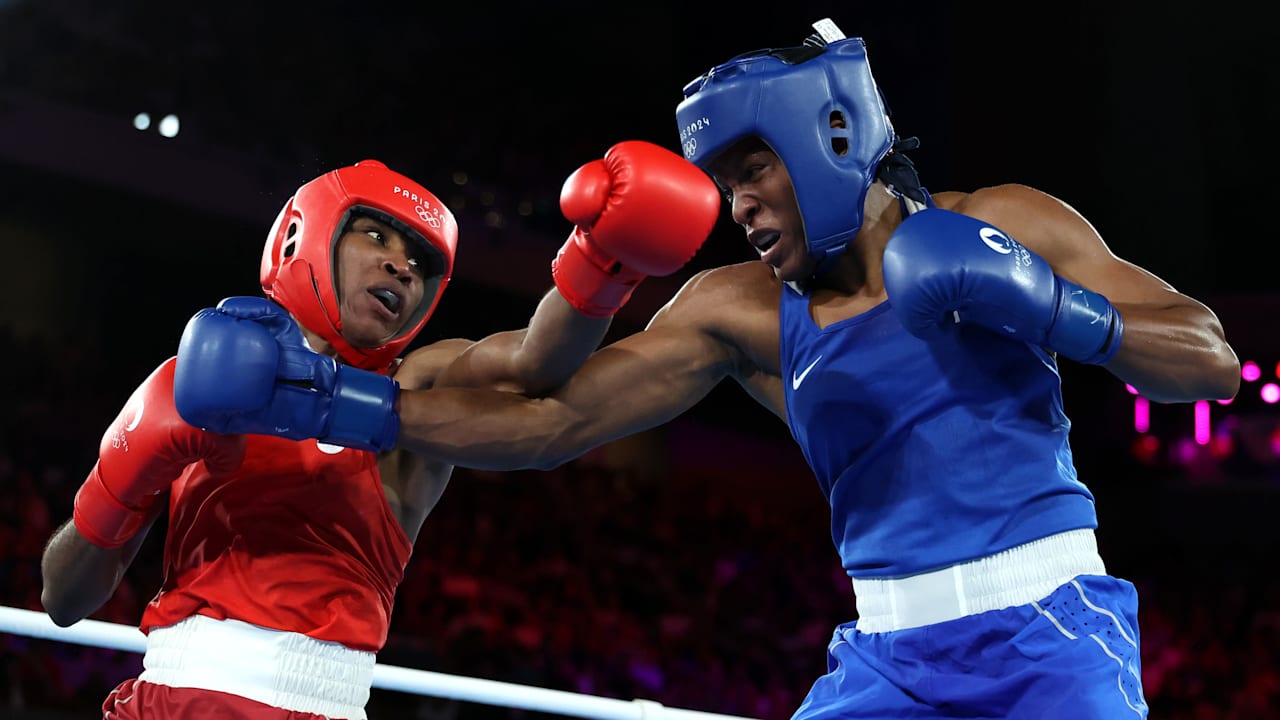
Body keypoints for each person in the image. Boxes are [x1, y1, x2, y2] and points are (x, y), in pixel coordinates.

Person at [174, 18, 1242, 720]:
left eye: (751, 169)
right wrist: (338, 402)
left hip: (1050, 631)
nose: (736, 204)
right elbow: (548, 421)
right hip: (887, 659)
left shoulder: (1006, 222)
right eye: (723, 181)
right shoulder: (736, 308)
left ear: (831, 135)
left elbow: (1208, 361)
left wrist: (1054, 309)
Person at [39, 144, 721, 719]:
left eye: (421, 262)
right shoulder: (196, 381)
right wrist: (123, 479)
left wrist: (600, 259)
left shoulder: (417, 385)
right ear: (308, 237)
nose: (401, 265)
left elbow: (533, 364)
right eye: (376, 236)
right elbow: (63, 600)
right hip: (163, 697)